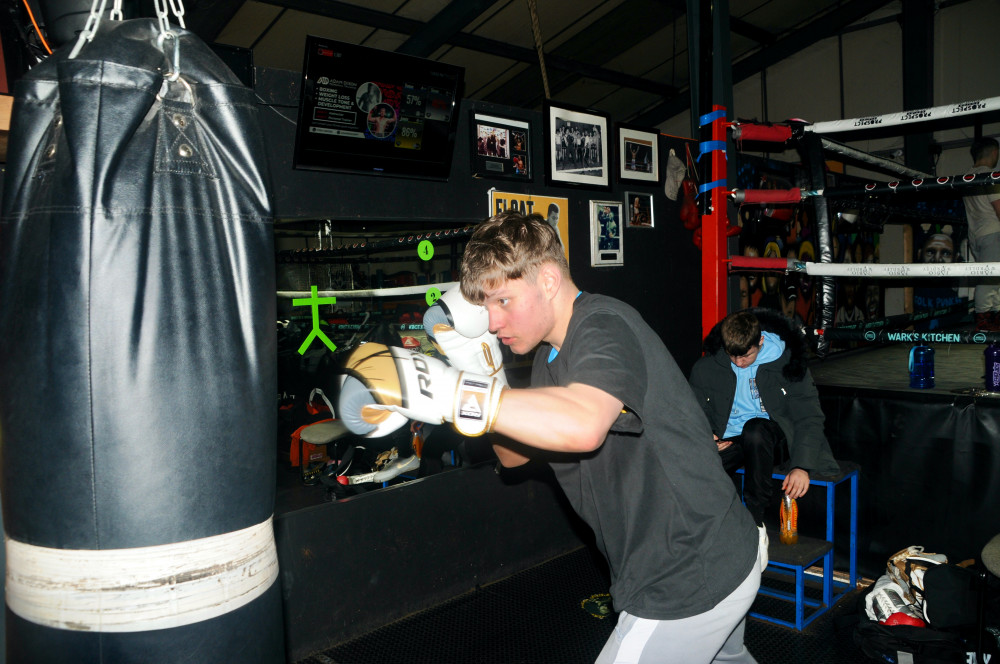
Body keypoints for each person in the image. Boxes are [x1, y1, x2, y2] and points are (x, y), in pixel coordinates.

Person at [461, 212, 762, 663]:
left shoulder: (604, 325)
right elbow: (512, 458)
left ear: (546, 280)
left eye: (502, 301)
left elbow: (584, 425)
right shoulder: (547, 359)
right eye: (485, 307)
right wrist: (481, 376)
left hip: (686, 567)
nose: (491, 321)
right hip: (713, 550)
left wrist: (452, 395)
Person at [689, 308, 840, 531]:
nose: (739, 362)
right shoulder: (708, 366)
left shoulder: (789, 363)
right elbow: (690, 411)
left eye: (746, 355)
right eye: (733, 355)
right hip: (730, 439)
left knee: (755, 430)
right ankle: (713, 534)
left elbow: (809, 416)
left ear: (760, 340)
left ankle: (755, 525)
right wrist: (706, 436)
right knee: (692, 468)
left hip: (775, 439)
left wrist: (801, 466)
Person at [962, 137, 1000, 331]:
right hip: (993, 233)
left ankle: (992, 318)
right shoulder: (990, 175)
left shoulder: (967, 177)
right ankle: (984, 320)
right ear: (994, 153)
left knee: (994, 278)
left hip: (976, 235)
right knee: (989, 280)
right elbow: (999, 208)